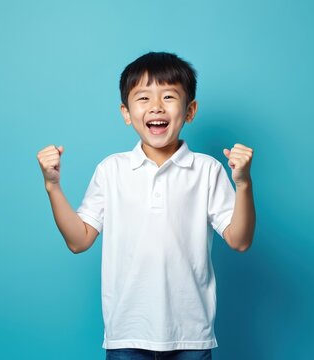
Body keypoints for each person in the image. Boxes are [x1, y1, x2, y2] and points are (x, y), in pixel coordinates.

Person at [37, 52, 256, 360]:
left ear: (190, 110)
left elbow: (240, 240)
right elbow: (78, 240)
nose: (156, 106)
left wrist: (243, 183)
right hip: (126, 335)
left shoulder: (207, 170)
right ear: (126, 113)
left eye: (169, 96)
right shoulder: (111, 170)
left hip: (190, 337)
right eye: (143, 98)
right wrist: (53, 187)